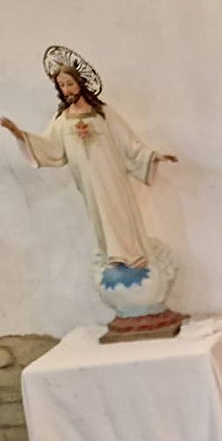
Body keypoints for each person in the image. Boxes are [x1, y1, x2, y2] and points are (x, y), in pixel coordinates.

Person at [1, 46, 182, 335]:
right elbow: (49, 148)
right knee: (101, 219)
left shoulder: (103, 114)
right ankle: (117, 258)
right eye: (61, 85)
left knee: (122, 215)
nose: (66, 89)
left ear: (81, 84)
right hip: (89, 184)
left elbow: (129, 144)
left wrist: (153, 156)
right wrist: (18, 134)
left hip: (114, 179)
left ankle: (135, 257)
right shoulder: (61, 122)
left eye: (70, 83)